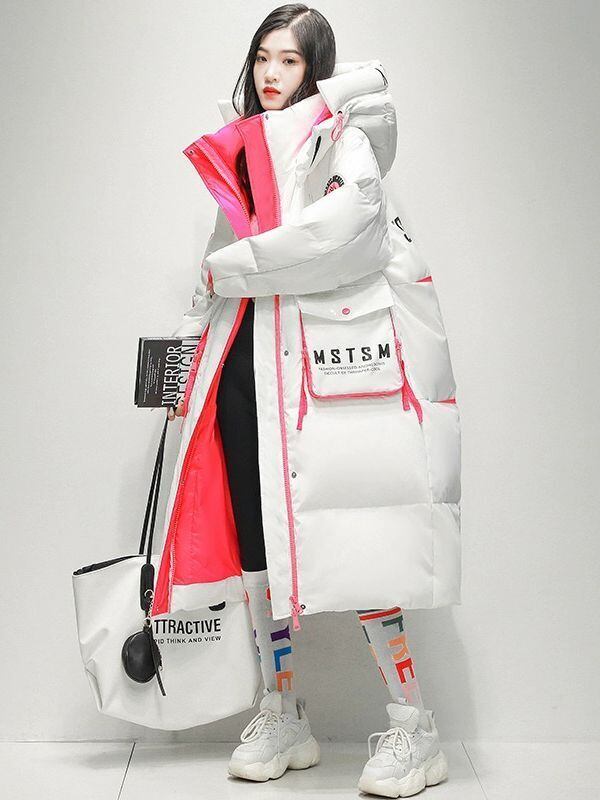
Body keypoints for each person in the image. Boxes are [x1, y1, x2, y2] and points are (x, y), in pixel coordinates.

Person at [164, 4, 461, 796]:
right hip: (243, 367)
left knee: (364, 540)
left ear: (316, 69)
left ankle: (415, 728)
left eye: (290, 60)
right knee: (259, 547)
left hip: (321, 375)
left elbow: (340, 238)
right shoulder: (244, 147)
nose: (271, 73)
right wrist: (179, 370)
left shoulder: (343, 138)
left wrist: (231, 271)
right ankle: (283, 708)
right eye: (263, 56)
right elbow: (212, 270)